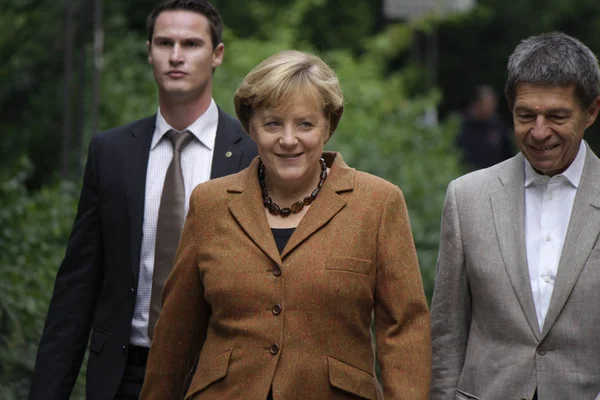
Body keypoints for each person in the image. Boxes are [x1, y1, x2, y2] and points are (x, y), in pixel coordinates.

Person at [139, 50, 431, 400]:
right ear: (251, 126)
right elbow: (175, 333)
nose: (288, 139)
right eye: (273, 123)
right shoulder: (210, 204)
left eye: (305, 124)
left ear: (328, 126)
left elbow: (404, 330)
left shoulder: (377, 203)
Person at [28, 1, 257, 399]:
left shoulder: (252, 153)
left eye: (191, 43)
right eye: (164, 42)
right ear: (148, 50)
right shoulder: (111, 153)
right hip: (124, 376)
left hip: (219, 377)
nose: (176, 56)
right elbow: (77, 286)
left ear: (217, 54)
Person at [430, 32, 600, 400]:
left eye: (557, 116)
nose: (539, 132)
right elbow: (447, 332)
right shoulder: (466, 198)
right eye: (526, 116)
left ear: (592, 111)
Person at [456, 84, 514, 170]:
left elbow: (508, 154)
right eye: (488, 103)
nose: (492, 106)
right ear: (477, 104)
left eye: (493, 102)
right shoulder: (462, 127)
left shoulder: (498, 126)